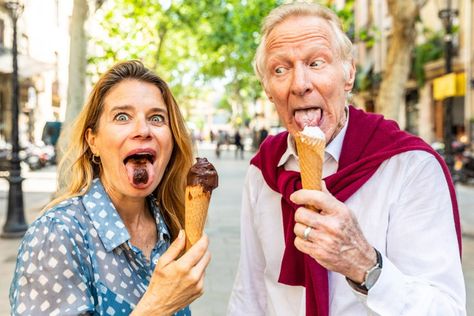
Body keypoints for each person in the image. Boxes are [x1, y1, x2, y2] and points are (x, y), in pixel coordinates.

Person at [228, 3, 465, 316]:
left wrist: (365, 264)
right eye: (280, 70)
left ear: (348, 74)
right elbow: (251, 291)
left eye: (316, 62)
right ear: (267, 89)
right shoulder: (264, 171)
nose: (300, 84)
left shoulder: (411, 167)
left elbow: (447, 310)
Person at [10, 60, 210, 315]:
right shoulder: (58, 234)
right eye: (122, 116)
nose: (143, 129)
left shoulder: (169, 228)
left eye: (157, 118)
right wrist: (157, 306)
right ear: (93, 140)